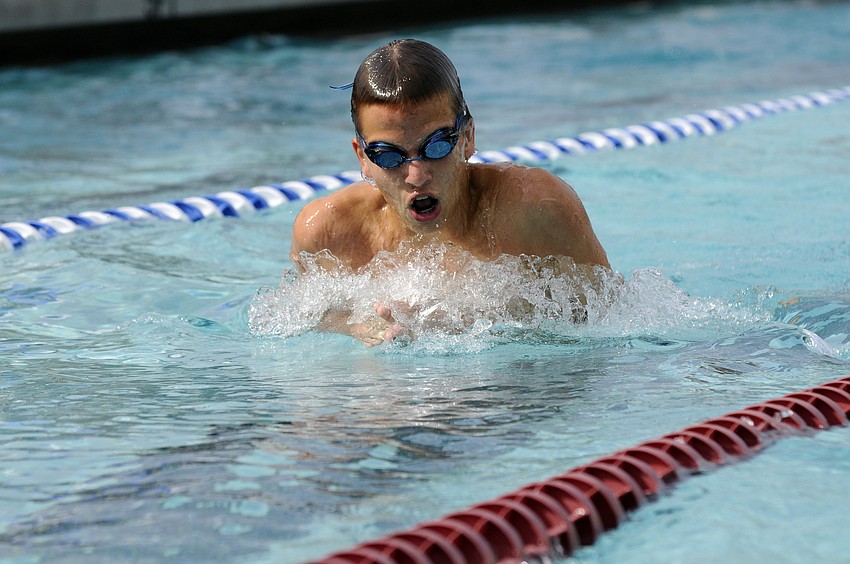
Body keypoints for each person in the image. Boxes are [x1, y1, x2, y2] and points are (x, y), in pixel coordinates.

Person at [290, 39, 610, 346]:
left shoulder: (534, 208)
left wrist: (489, 321)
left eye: (437, 145)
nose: (416, 175)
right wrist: (359, 326)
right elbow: (306, 319)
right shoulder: (328, 233)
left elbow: (611, 320)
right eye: (388, 155)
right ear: (363, 158)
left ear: (467, 137)